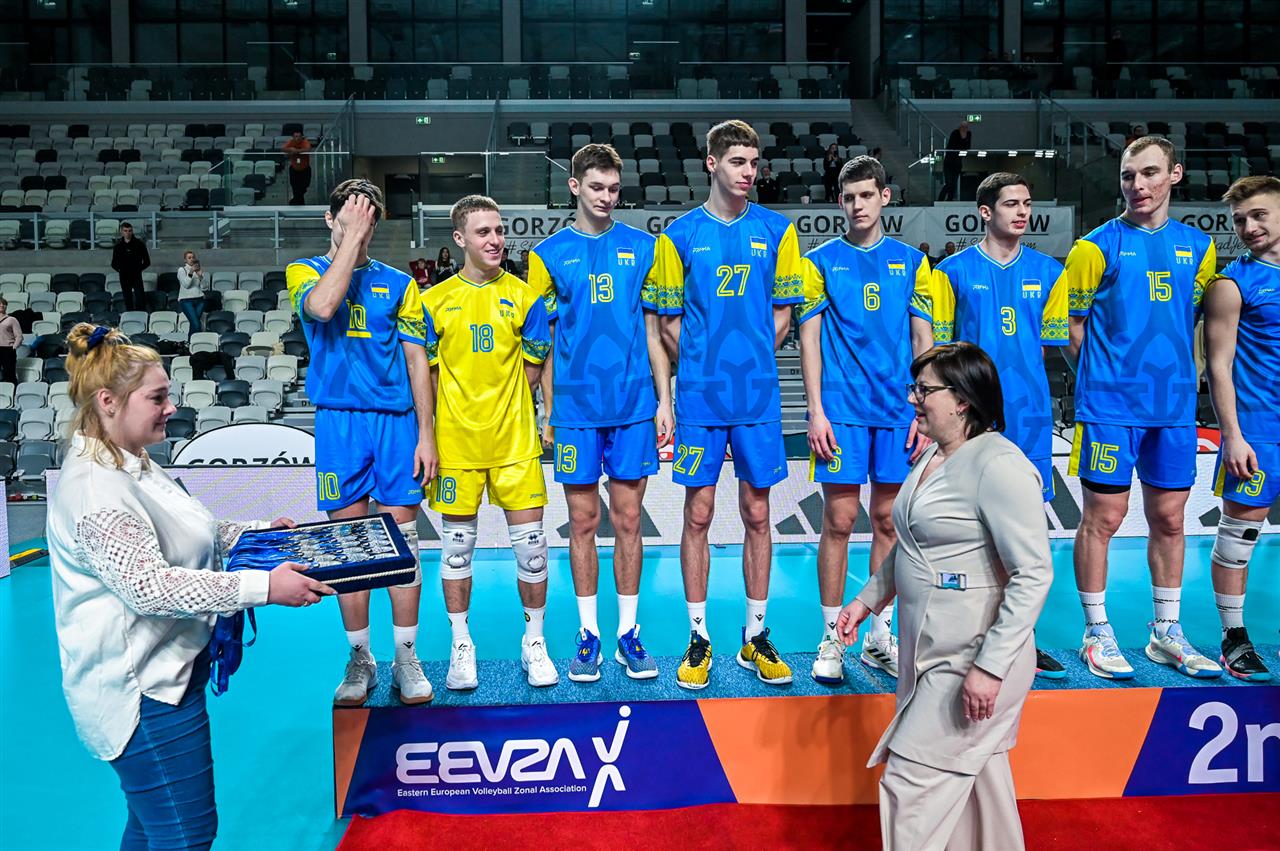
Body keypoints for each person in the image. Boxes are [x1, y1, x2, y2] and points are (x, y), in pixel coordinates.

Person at [47, 322, 333, 850]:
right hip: (140, 693)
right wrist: (263, 587)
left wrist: (261, 535)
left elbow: (199, 530)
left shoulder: (132, 462)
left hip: (167, 676)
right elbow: (150, 587)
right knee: (185, 834)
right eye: (157, 398)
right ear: (108, 402)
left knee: (152, 826)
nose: (171, 407)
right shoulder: (95, 490)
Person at [839, 342, 1053, 851]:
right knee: (981, 791)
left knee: (910, 783)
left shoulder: (1000, 466)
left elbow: (1033, 574)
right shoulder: (935, 454)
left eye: (924, 390)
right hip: (933, 651)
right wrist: (868, 599)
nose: (912, 399)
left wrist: (990, 668)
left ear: (962, 400)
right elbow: (915, 546)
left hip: (972, 657)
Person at [651, 119, 803, 690]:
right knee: (697, 514)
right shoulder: (678, 236)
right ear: (711, 164)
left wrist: (749, 359)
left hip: (758, 398)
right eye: (738, 161)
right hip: (699, 401)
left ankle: (755, 636)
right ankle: (698, 638)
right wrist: (703, 368)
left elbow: (783, 315)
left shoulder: (778, 232)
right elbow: (668, 324)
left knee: (759, 514)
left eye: (754, 163)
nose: (748, 172)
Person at [1063, 136, 1221, 680]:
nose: (1138, 185)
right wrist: (1106, 379)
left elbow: (1191, 321)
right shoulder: (1093, 248)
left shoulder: (1199, 248)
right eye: (1129, 176)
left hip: (1173, 409)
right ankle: (1096, 630)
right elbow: (1073, 329)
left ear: (1175, 174)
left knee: (1170, 519)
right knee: (1103, 519)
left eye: (1150, 173)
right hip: (1110, 407)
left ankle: (1165, 632)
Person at [285, 179, 437, 707]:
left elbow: (417, 362)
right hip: (339, 423)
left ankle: (406, 657)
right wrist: (350, 237)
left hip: (395, 424)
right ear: (331, 220)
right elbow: (324, 307)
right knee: (350, 547)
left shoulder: (400, 283)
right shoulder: (304, 271)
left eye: (370, 220)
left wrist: (426, 434)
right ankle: (360, 658)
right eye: (352, 217)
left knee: (402, 544)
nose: (362, 228)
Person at [528, 144, 672, 683]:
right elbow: (544, 341)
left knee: (630, 520)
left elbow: (655, 334)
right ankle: (588, 634)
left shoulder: (645, 247)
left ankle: (628, 634)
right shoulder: (548, 254)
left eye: (613, 188)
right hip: (576, 410)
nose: (607, 197)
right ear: (574, 186)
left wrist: (664, 401)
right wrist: (548, 409)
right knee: (584, 522)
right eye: (596, 187)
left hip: (633, 406)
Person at [928, 171, 1071, 679]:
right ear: (985, 212)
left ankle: (1020, 640)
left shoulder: (1050, 271)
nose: (1023, 211)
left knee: (1023, 535)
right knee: (966, 531)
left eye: (1027, 203)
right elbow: (939, 352)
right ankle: (966, 636)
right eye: (1012, 203)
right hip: (972, 419)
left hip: (1030, 417)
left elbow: (1050, 348)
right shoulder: (951, 272)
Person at [798, 155, 933, 685]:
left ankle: (879, 636)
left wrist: (924, 409)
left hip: (898, 413)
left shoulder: (913, 262)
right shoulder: (819, 262)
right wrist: (816, 411)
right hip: (842, 413)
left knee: (888, 522)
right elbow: (809, 341)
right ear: (840, 202)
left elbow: (924, 341)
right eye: (849, 197)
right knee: (837, 521)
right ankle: (831, 637)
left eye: (867, 195)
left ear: (885, 197)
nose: (858, 205)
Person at [422, 194, 558, 689]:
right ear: (459, 238)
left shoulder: (526, 297)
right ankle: (461, 644)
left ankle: (534, 642)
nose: (496, 239)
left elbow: (533, 368)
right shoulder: (432, 302)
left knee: (533, 551)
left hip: (514, 444)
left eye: (499, 230)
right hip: (456, 447)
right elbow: (429, 378)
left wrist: (511, 409)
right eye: (484, 232)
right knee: (456, 553)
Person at [1203, 175, 1280, 682]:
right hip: (1258, 430)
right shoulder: (1232, 285)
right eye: (1239, 220)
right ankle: (1234, 637)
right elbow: (1219, 366)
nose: (1248, 227)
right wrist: (1232, 434)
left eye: (1259, 215)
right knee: (1239, 536)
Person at [111, 222, 151, 313]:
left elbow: (147, 261)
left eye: (130, 231)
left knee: (140, 298)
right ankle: (130, 317)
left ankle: (141, 316)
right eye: (125, 231)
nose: (128, 233)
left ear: (132, 231)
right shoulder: (118, 246)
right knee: (127, 298)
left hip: (136, 276)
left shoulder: (139, 244)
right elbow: (113, 263)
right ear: (121, 232)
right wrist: (121, 270)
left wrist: (138, 269)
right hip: (124, 276)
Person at [177, 250, 210, 337]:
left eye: (193, 257)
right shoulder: (182, 270)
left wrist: (200, 276)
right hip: (186, 301)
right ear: (185, 260)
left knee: (194, 324)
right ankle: (192, 342)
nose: (192, 259)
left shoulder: (198, 270)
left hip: (200, 300)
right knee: (196, 324)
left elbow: (205, 287)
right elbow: (186, 285)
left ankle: (191, 343)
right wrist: (191, 272)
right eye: (189, 258)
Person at [939, 121, 972, 202]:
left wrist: (962, 146)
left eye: (966, 127)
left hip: (957, 162)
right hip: (949, 162)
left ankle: (949, 200)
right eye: (963, 127)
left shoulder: (968, 134)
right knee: (949, 183)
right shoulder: (955, 133)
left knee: (954, 184)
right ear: (960, 127)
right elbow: (953, 145)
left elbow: (967, 146)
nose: (964, 129)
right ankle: (940, 200)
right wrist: (962, 146)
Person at [283, 130, 312, 205]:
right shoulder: (291, 142)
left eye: (299, 136)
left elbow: (308, 149)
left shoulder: (305, 142)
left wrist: (296, 151)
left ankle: (295, 201)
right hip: (294, 170)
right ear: (293, 137)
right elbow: (283, 148)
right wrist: (291, 149)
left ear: (302, 137)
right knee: (295, 188)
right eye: (296, 136)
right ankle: (299, 204)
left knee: (304, 187)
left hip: (305, 170)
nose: (298, 138)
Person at [0, 297, 22, 385]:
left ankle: (13, 390)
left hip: (7, 349)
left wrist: (13, 348)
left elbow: (19, 336)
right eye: (0, 304)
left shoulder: (12, 319)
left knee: (9, 374)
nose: (2, 305)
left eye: (4, 304)